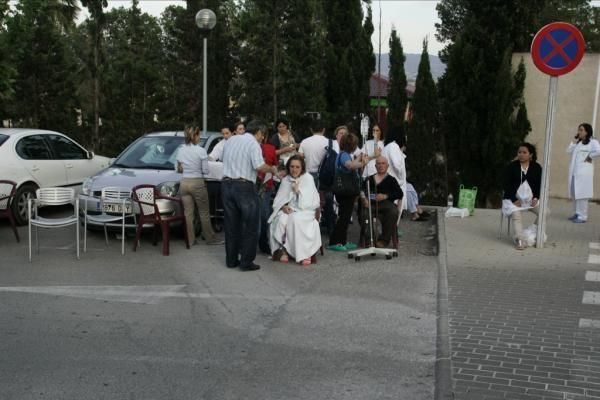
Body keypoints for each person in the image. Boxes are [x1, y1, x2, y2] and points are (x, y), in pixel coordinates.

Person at [221, 120, 280, 271]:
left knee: (231, 225)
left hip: (226, 185)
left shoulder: (230, 140)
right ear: (258, 133)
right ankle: (246, 262)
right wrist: (272, 169)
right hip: (244, 186)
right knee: (251, 225)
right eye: (262, 136)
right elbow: (259, 165)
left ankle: (231, 260)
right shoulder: (253, 143)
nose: (262, 139)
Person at [268, 155, 321, 266]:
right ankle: (284, 250)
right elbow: (278, 199)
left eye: (297, 167)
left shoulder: (308, 178)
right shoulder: (286, 179)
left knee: (296, 219)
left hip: (306, 211)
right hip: (291, 209)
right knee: (281, 218)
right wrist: (283, 207)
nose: (294, 169)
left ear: (302, 168)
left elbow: (311, 201)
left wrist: (297, 191)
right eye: (292, 166)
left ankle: (305, 253)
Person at [176, 125, 222, 246]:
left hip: (184, 183)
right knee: (204, 212)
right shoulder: (201, 151)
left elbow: (179, 169)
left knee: (188, 213)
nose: (199, 137)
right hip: (197, 183)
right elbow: (206, 171)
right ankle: (210, 239)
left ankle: (190, 240)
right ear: (195, 136)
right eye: (199, 135)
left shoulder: (181, 150)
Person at [328, 133, 368, 251]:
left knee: (344, 216)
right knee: (344, 217)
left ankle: (342, 241)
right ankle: (336, 242)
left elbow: (351, 164)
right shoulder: (345, 155)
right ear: (352, 145)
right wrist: (363, 163)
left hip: (344, 191)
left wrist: (359, 159)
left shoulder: (344, 154)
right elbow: (350, 166)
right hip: (345, 191)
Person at [502, 142, 542, 250]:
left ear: (530, 155)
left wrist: (536, 197)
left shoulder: (537, 167)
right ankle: (519, 239)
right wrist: (514, 199)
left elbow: (539, 185)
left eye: (524, 152)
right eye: (519, 152)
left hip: (530, 199)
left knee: (545, 212)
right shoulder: (512, 166)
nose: (521, 154)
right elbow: (506, 184)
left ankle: (530, 231)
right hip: (513, 198)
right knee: (516, 214)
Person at [359, 156, 403, 248]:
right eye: (378, 163)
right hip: (371, 204)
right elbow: (361, 191)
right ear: (375, 166)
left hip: (386, 204)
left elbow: (399, 193)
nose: (381, 165)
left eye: (383, 163)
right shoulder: (369, 179)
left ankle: (383, 240)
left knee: (393, 212)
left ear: (387, 166)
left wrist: (385, 196)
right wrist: (364, 199)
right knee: (365, 213)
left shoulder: (391, 180)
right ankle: (370, 240)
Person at [567, 123, 600, 223]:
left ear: (587, 131)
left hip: (584, 174)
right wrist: (574, 142)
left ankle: (582, 216)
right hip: (574, 173)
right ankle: (577, 213)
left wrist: (590, 156)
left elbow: (599, 151)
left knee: (582, 195)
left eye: (581, 130)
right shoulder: (579, 143)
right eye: (578, 130)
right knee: (574, 193)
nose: (579, 132)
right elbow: (568, 151)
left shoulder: (593, 142)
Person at [257, 127, 278, 254]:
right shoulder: (271, 148)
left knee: (260, 215)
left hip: (260, 185)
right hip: (265, 185)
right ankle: (263, 243)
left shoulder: (269, 148)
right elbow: (274, 166)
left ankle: (260, 242)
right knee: (264, 214)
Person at [383, 127, 407, 212]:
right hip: (395, 185)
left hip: (390, 183)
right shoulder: (393, 146)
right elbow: (397, 165)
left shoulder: (388, 147)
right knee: (394, 216)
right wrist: (401, 179)